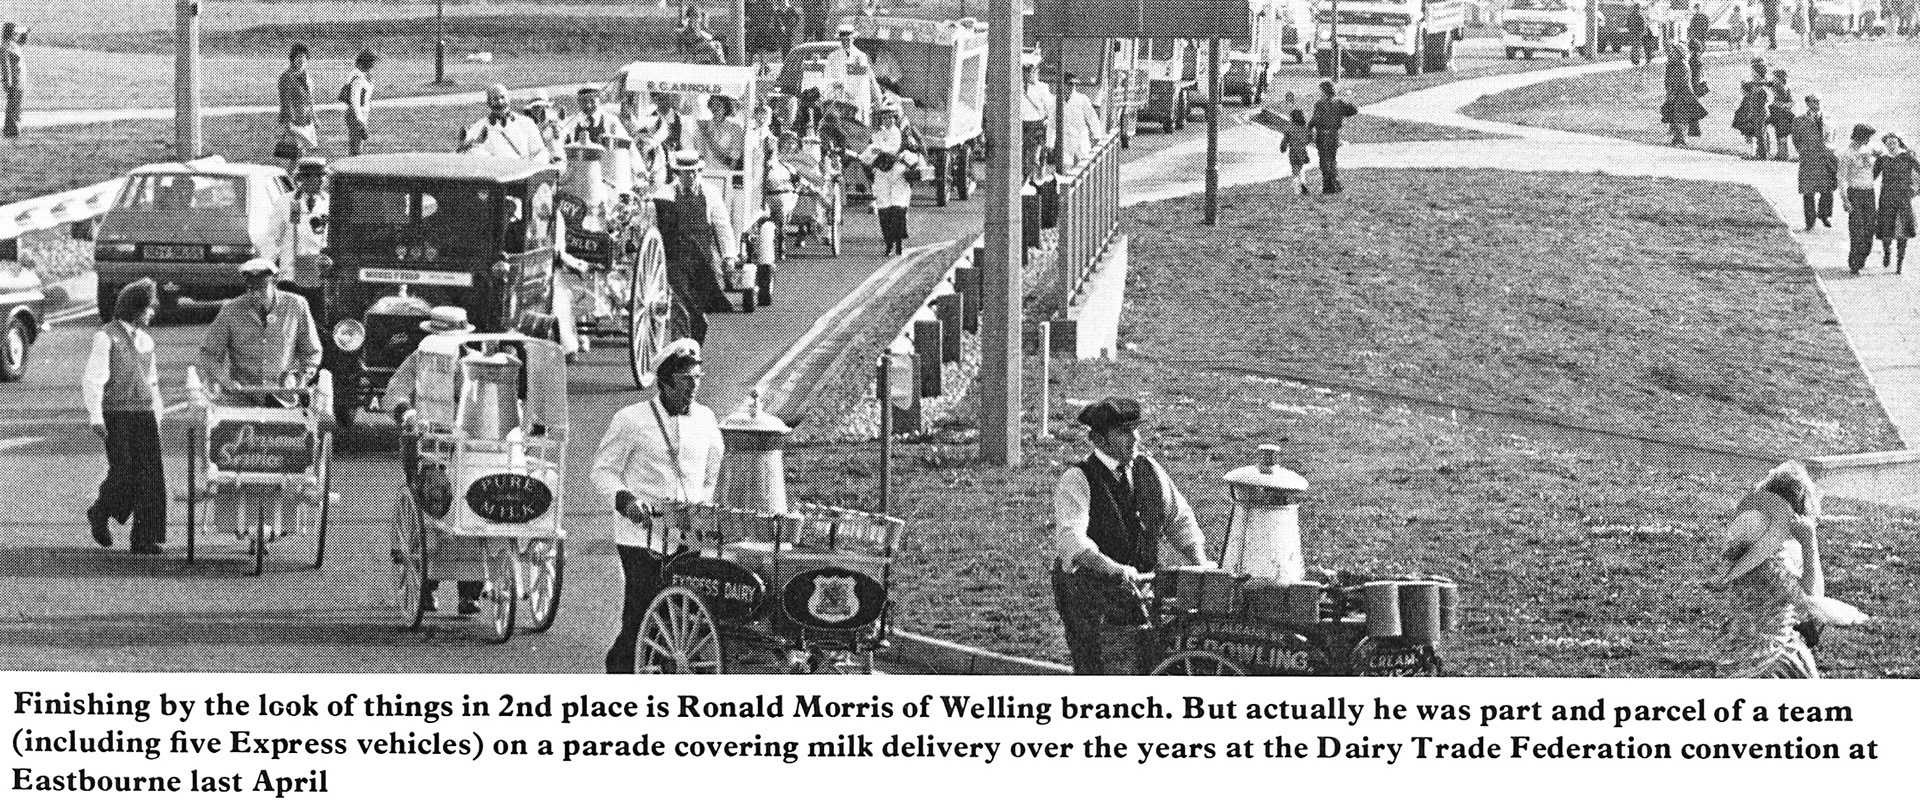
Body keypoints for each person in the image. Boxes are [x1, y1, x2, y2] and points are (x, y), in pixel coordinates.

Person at [590, 339, 724, 673]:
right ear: (665, 382)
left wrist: (702, 507)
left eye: (697, 378)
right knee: (641, 612)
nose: (694, 386)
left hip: (688, 534)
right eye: (686, 380)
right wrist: (626, 501)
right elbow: (602, 471)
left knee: (682, 618)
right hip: (640, 537)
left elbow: (712, 471)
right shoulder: (631, 419)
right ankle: (620, 672)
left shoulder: (706, 420)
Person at [1051, 397, 1212, 675]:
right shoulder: (1078, 479)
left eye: (1135, 430)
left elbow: (1179, 519)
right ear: (1099, 439)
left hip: (1139, 591)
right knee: (1099, 671)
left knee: (1147, 662)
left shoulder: (1150, 470)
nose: (1135, 438)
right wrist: (1113, 569)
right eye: (1124, 432)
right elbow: (1072, 540)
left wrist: (1200, 564)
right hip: (1091, 597)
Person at [1707, 462, 1866, 678]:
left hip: (1734, 652)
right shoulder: (1770, 558)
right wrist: (1810, 545)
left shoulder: (1747, 543)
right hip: (1769, 658)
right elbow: (1811, 597)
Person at [384, 306, 486, 614]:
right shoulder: (418, 358)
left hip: (469, 444)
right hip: (428, 443)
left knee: (476, 506)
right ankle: (426, 586)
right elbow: (396, 389)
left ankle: (471, 591)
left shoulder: (476, 362)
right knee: (429, 505)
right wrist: (407, 412)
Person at [83, 279, 166, 554]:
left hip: (143, 413)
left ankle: (145, 537)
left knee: (151, 474)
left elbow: (152, 382)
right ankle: (100, 511)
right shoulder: (106, 336)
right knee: (124, 470)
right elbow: (94, 379)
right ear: (136, 309)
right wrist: (96, 415)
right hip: (115, 414)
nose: (152, 313)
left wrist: (158, 413)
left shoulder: (146, 341)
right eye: (149, 308)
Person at [198, 258, 322, 403]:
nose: (256, 295)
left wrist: (299, 378)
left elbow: (312, 351)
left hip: (283, 399)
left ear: (275, 283)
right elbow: (208, 354)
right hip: (242, 398)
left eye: (262, 288)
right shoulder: (230, 311)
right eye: (251, 289)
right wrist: (225, 380)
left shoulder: (296, 306)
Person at [652, 149, 741, 341]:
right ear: (678, 173)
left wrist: (729, 256)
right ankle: (681, 351)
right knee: (681, 305)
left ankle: (692, 351)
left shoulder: (710, 193)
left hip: (702, 261)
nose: (690, 176)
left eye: (694, 171)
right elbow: (654, 228)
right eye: (686, 172)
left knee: (699, 317)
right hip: (675, 259)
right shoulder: (665, 195)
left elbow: (722, 225)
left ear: (699, 171)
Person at [861, 103, 923, 257]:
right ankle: (889, 243)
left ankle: (899, 243)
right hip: (882, 173)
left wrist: (881, 150)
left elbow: (898, 149)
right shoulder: (877, 135)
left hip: (898, 172)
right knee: (884, 208)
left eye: (890, 117)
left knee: (898, 207)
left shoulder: (902, 134)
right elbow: (867, 155)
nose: (887, 120)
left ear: (895, 118)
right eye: (884, 117)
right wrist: (868, 156)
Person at [272, 157, 329, 290]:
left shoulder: (329, 203)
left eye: (323, 176)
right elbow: (273, 238)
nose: (322, 181)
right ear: (303, 179)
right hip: (290, 275)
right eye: (318, 177)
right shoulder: (285, 202)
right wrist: (269, 269)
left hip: (318, 276)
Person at [460, 84, 550, 162]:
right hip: (496, 177)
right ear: (488, 103)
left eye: (502, 97)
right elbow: (468, 153)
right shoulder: (478, 128)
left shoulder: (527, 123)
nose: (500, 102)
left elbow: (541, 152)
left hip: (524, 176)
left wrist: (530, 169)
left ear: (509, 99)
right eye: (495, 99)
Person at [1838, 123, 1880, 274]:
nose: (1869, 140)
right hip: (1854, 193)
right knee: (1857, 229)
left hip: (1869, 193)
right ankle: (1854, 263)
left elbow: (1885, 152)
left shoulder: (1869, 150)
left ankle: (1862, 257)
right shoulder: (1846, 154)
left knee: (1870, 228)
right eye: (1867, 137)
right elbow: (1841, 178)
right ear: (1860, 137)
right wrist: (1845, 200)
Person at [1874, 132, 1917, 274]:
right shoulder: (1882, 159)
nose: (1891, 145)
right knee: (1886, 231)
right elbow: (1872, 176)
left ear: (1899, 142)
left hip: (1903, 200)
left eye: (1894, 142)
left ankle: (1900, 262)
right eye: (1888, 143)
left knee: (1902, 232)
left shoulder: (1907, 156)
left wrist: (1916, 190)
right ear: (1885, 145)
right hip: (1886, 199)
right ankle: (1887, 252)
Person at [1791, 95, 1836, 230]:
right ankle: (1810, 221)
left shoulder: (1829, 118)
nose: (1817, 104)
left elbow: (1833, 136)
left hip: (1825, 157)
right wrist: (1804, 151)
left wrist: (1830, 149)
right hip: (1809, 159)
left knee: (1828, 189)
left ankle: (1824, 214)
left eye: (1819, 101)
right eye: (1814, 102)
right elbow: (1796, 139)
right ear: (1808, 104)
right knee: (1808, 191)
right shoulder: (1799, 120)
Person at [1307, 80, 1357, 194]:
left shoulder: (1320, 104)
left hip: (1323, 136)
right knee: (1332, 160)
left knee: (1324, 162)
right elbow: (1353, 110)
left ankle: (1329, 187)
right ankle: (1333, 185)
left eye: (1321, 91)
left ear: (1325, 92)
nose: (1319, 94)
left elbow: (1314, 120)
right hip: (1334, 135)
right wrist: (1348, 102)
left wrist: (1308, 130)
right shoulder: (1339, 103)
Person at [824, 22, 879, 126]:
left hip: (857, 99)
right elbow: (827, 77)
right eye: (843, 40)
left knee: (856, 127)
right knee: (839, 128)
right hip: (839, 98)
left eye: (848, 39)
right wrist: (835, 83)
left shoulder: (861, 56)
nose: (846, 42)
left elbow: (864, 82)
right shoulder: (833, 57)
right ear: (839, 40)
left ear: (853, 39)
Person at [278, 44, 320, 167]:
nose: (301, 61)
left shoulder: (306, 76)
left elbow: (310, 99)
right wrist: (288, 123)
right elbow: (285, 101)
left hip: (306, 119)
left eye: (304, 59)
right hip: (294, 120)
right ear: (293, 59)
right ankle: (289, 182)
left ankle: (294, 180)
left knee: (302, 154)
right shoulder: (286, 77)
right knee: (296, 155)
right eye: (298, 58)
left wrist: (314, 117)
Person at [1662, 42, 1708, 146]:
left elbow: (1680, 82)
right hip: (1675, 93)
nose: (1671, 53)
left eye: (1674, 52)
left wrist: (1673, 92)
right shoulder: (1673, 65)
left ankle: (1681, 138)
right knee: (1675, 115)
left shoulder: (1683, 66)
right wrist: (1669, 91)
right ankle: (1678, 137)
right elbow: (1668, 80)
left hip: (1683, 94)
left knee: (1680, 116)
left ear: (1679, 54)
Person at [1058, 73, 1104, 171]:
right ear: (1063, 85)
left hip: (1080, 139)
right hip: (1066, 140)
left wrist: (1096, 135)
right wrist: (1050, 142)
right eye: (1069, 84)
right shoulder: (1057, 100)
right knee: (1066, 169)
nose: (1072, 87)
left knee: (1083, 169)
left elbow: (1092, 118)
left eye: (1074, 85)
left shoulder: (1082, 99)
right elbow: (1053, 123)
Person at [1020, 53, 1054, 181]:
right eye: (1025, 71)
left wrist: (1050, 124)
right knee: (1021, 154)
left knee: (1035, 155)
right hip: (1021, 124)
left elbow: (1050, 107)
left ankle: (1035, 178)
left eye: (1030, 71)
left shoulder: (1042, 88)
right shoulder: (1017, 88)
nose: (1027, 74)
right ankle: (1024, 178)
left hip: (1036, 125)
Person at [562, 86, 629, 148]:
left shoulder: (611, 120)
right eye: (584, 101)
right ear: (578, 101)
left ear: (599, 100)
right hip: (577, 159)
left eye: (592, 101)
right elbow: (558, 144)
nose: (588, 105)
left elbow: (627, 146)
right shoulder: (569, 122)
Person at [1733, 59, 1771, 160]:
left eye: (1754, 72)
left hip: (1761, 112)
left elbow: (1763, 101)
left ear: (1759, 73)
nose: (1752, 74)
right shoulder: (1756, 84)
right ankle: (1761, 153)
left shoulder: (1762, 86)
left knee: (1760, 133)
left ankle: (1762, 155)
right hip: (1756, 112)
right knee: (1759, 133)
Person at [342, 49, 376, 157]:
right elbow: (354, 100)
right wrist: (359, 119)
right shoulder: (358, 77)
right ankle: (350, 172)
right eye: (371, 62)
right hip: (356, 114)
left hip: (361, 114)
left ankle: (352, 170)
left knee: (358, 146)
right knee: (356, 149)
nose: (373, 65)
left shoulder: (362, 74)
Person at [523, 89, 566, 165]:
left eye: (542, 106)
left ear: (547, 107)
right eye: (535, 107)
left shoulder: (555, 121)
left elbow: (564, 139)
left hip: (556, 158)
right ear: (531, 109)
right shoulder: (526, 125)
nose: (539, 110)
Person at [1277, 107, 1313, 195]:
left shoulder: (1289, 127)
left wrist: (1283, 148)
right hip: (1302, 151)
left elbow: (1285, 140)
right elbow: (1310, 137)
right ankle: (1303, 183)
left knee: (1295, 170)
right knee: (1301, 168)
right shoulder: (1304, 127)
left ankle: (1297, 191)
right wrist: (1304, 143)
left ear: (1292, 117)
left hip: (1293, 151)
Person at [1, 23, 26, 138]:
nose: (17, 34)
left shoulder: (14, 45)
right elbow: (5, 67)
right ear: (10, 33)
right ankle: (11, 130)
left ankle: (13, 129)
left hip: (20, 81)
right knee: (13, 105)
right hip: (14, 82)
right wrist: (8, 83)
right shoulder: (5, 47)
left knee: (17, 105)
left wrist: (25, 32)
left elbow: (22, 40)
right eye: (14, 32)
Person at [1765, 69, 1794, 160]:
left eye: (1775, 77)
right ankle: (1780, 154)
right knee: (1779, 134)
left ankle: (1783, 155)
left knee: (1782, 135)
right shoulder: (1776, 86)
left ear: (1779, 78)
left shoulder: (1785, 89)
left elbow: (1792, 102)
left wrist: (1781, 105)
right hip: (1777, 114)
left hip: (1783, 115)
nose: (1773, 79)